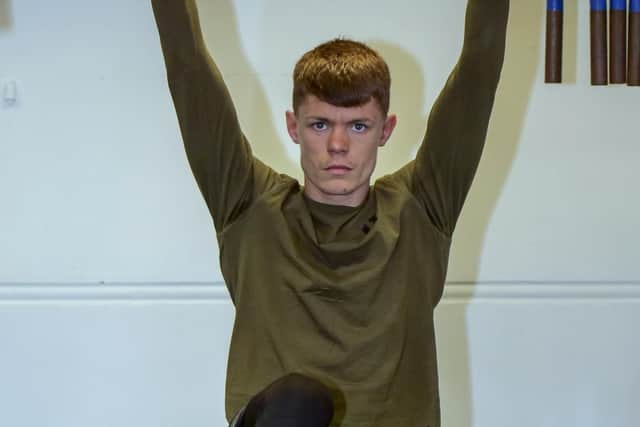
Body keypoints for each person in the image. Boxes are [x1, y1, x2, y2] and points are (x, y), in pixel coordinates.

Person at [150, 0, 509, 426]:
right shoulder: (249, 206)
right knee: (299, 401)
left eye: (358, 126)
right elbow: (187, 66)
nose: (338, 145)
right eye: (320, 124)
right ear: (293, 127)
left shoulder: (420, 209)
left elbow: (478, 72)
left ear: (385, 131)